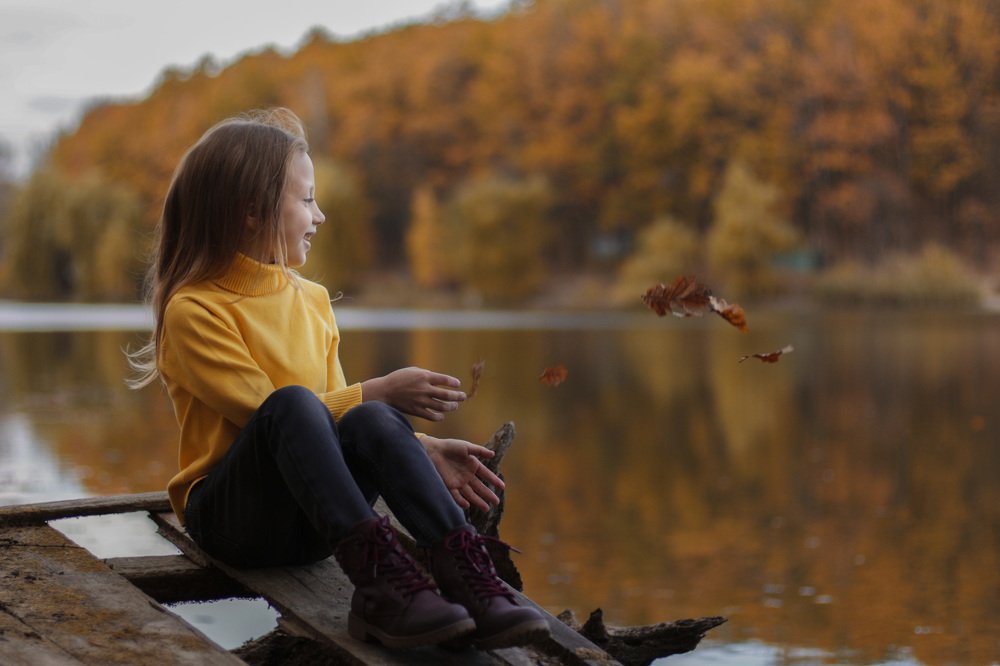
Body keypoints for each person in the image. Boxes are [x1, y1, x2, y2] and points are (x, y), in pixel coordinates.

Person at [128, 107, 549, 650]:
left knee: (372, 417)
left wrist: (417, 447)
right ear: (253, 211)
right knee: (294, 405)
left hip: (316, 525)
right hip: (234, 523)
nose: (319, 215)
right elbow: (270, 417)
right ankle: (383, 591)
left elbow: (346, 417)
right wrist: (380, 388)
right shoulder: (196, 310)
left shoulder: (313, 300)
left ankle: (469, 577)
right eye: (306, 200)